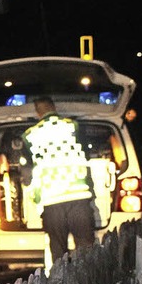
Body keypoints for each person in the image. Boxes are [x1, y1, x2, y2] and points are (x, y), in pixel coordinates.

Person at [23, 96, 95, 262]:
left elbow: (29, 169)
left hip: (52, 201)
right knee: (85, 247)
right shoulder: (72, 126)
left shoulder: (29, 135)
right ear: (54, 107)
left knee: (58, 251)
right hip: (78, 196)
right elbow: (86, 154)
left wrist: (35, 196)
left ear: (37, 112)